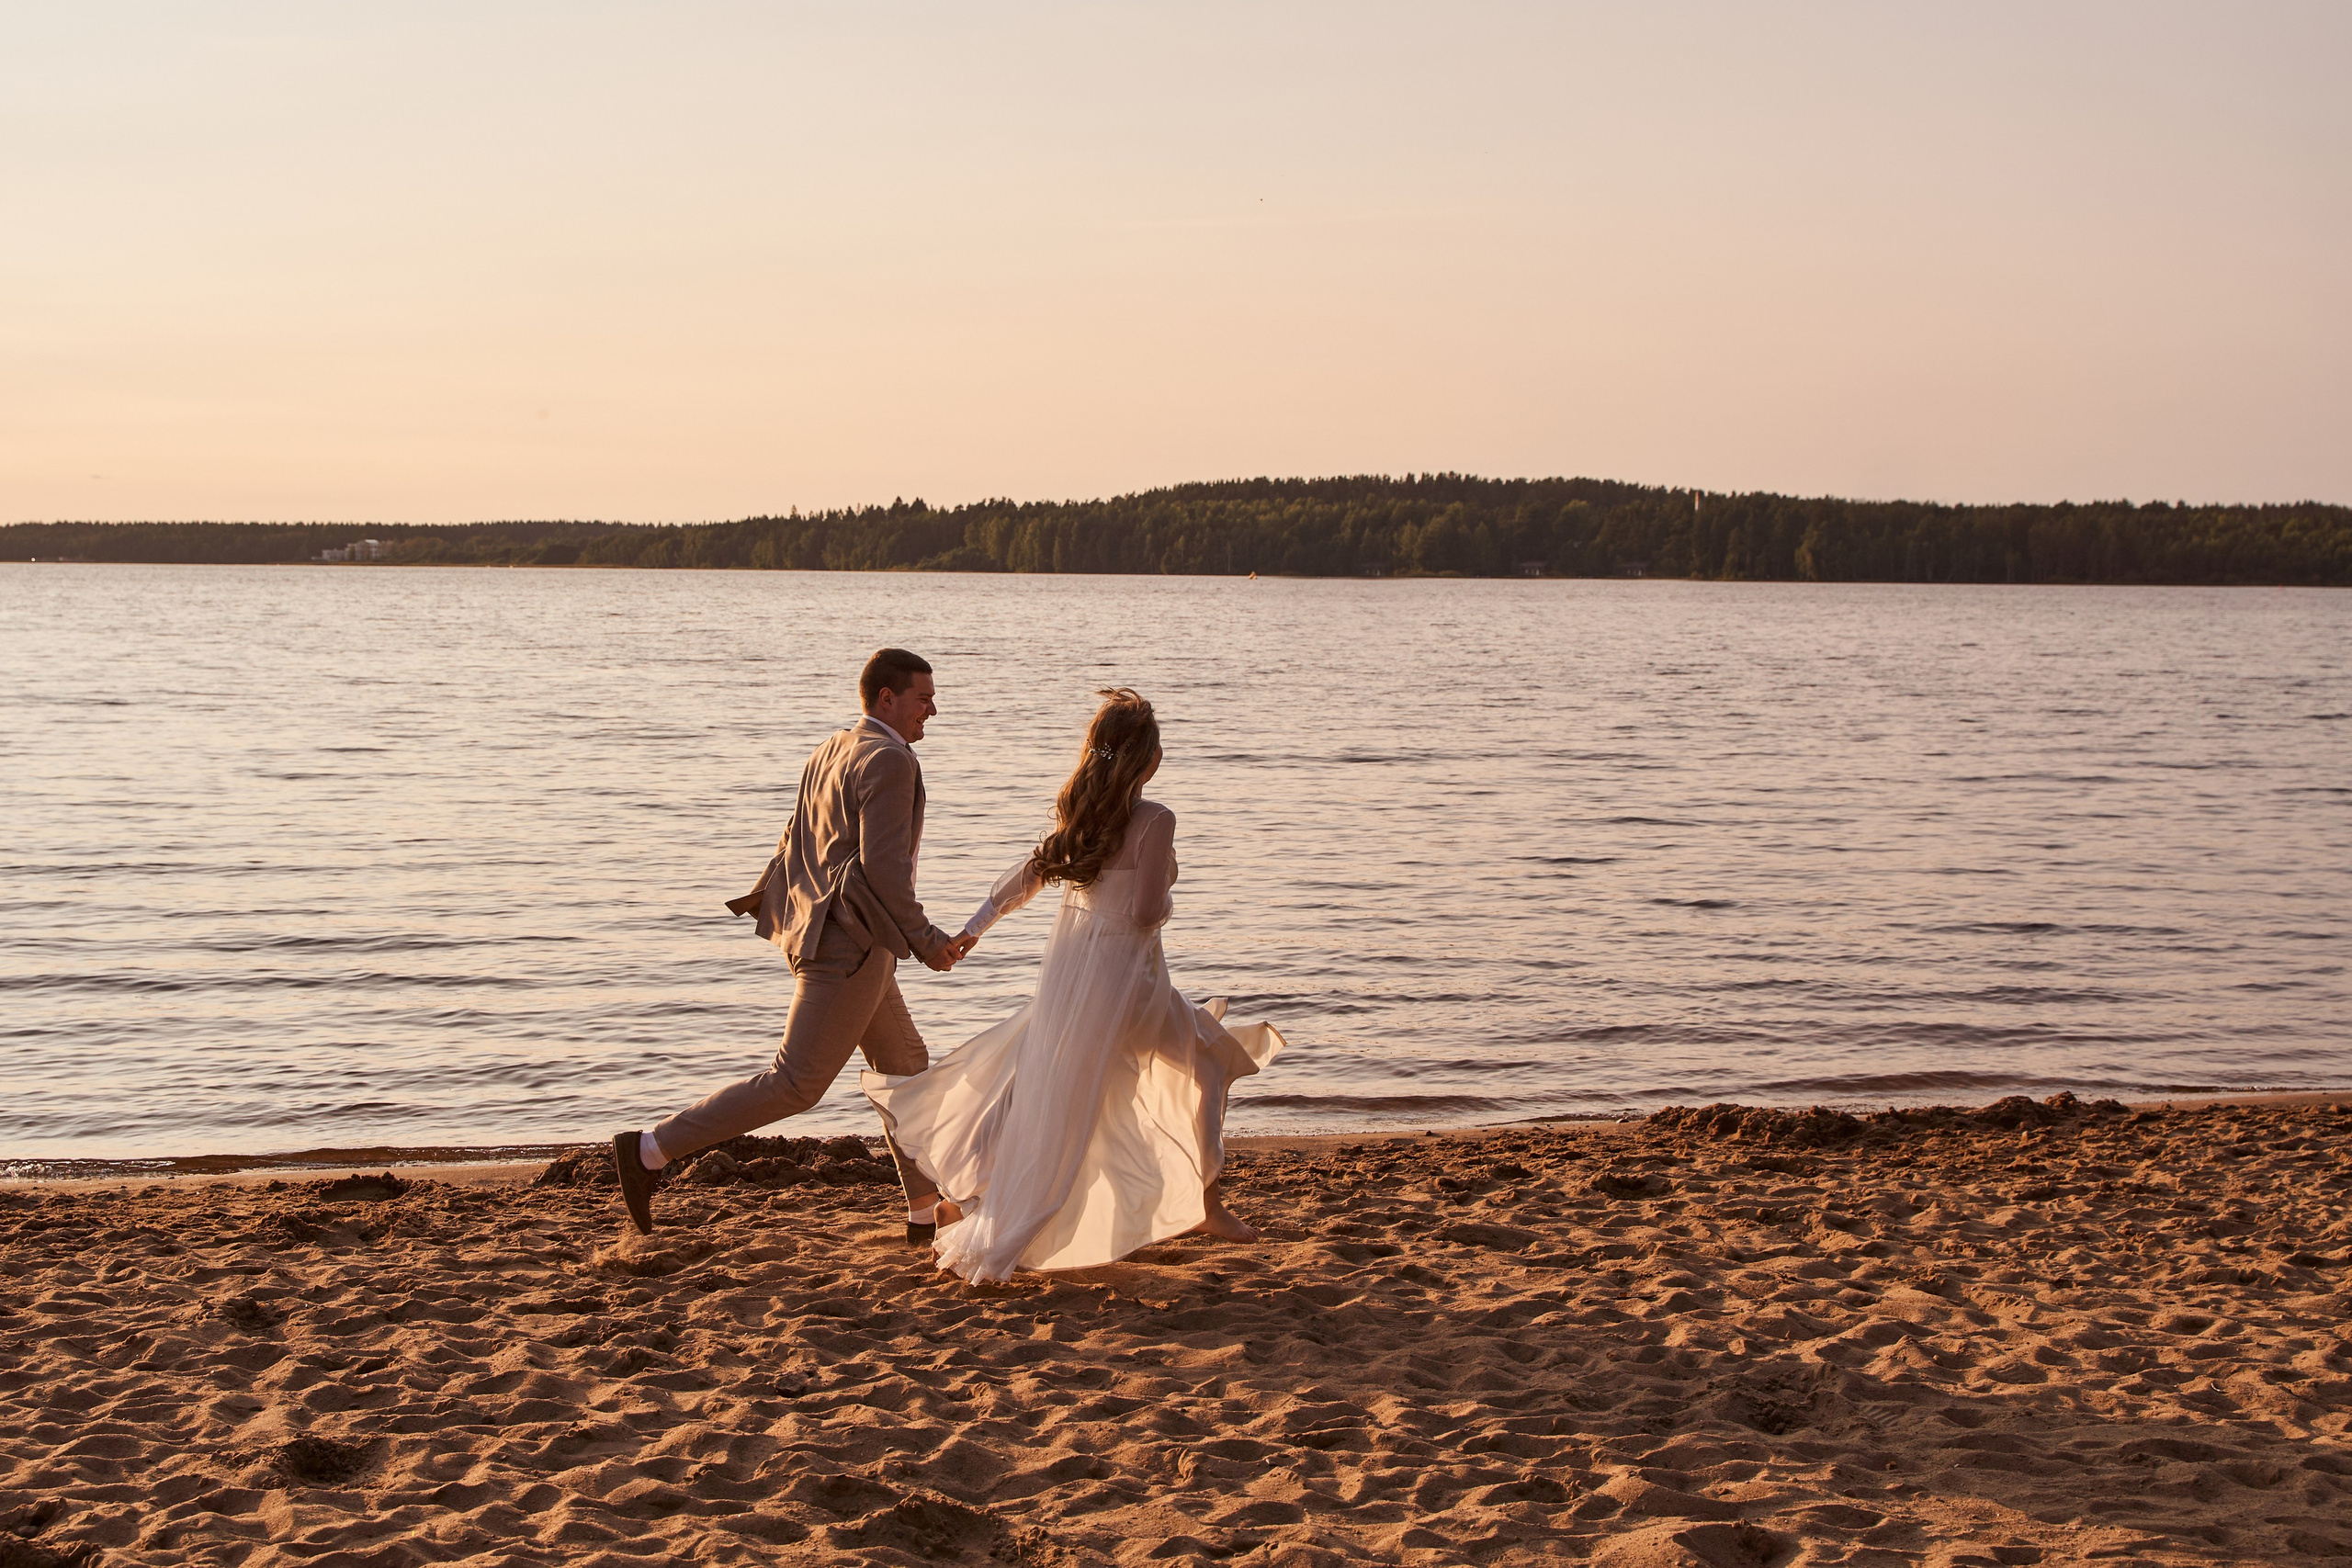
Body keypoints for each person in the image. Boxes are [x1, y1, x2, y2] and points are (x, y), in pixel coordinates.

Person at [864, 687, 1283, 1284]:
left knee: (1046, 1091)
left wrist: (972, 928)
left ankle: (965, 1194)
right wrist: (1164, 889)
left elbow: (1026, 876)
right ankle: (1206, 1207)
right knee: (1209, 1062)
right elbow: (1142, 914)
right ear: (1147, 759)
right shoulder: (1154, 819)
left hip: (1073, 974)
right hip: (1128, 983)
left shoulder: (1081, 818)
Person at [610, 648, 976, 1241]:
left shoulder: (832, 747)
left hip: (830, 933)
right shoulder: (889, 759)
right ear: (887, 698)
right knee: (797, 1082)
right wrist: (928, 940)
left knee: (906, 1071)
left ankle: (925, 1213)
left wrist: (790, 918)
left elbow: (793, 842)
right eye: (922, 697)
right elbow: (884, 869)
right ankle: (650, 1150)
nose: (932, 709)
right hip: (849, 946)